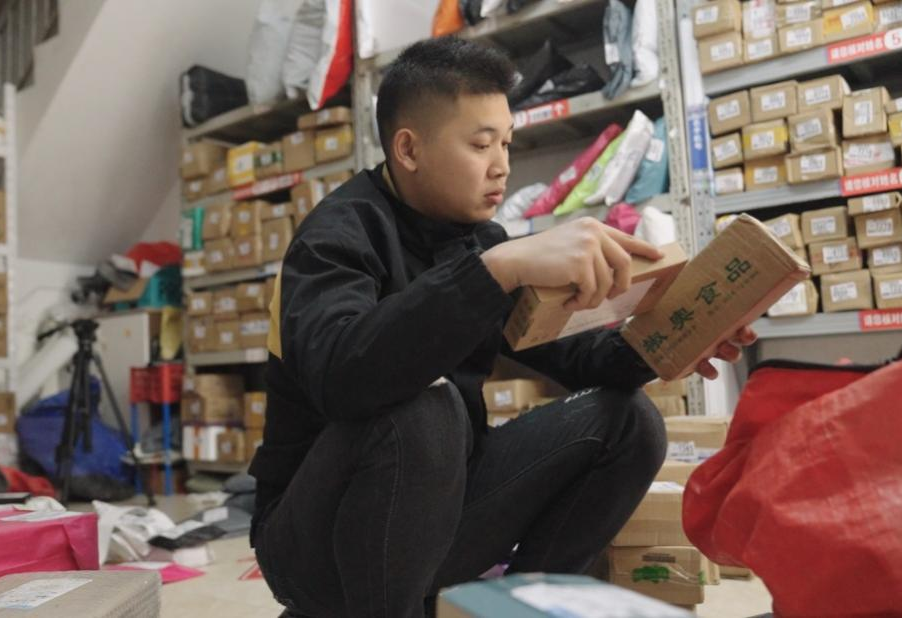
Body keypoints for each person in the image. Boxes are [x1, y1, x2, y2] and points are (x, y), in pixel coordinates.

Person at [247, 36, 756, 618]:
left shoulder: (477, 240)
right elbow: (344, 377)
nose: (502, 166)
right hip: (317, 544)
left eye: (507, 142)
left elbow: (576, 355)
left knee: (629, 422)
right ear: (408, 149)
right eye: (480, 144)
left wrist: (673, 340)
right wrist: (496, 269)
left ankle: (524, 609)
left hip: (439, 517)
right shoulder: (334, 237)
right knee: (427, 406)